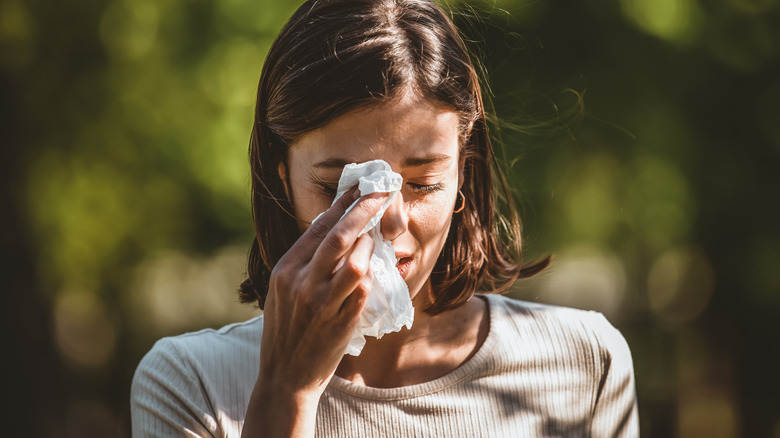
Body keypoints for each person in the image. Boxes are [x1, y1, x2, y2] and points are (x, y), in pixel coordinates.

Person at [130, 0, 639, 436]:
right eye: (340, 188)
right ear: (280, 176)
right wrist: (286, 393)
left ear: (465, 171)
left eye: (422, 184)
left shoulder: (584, 362)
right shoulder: (192, 384)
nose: (389, 221)